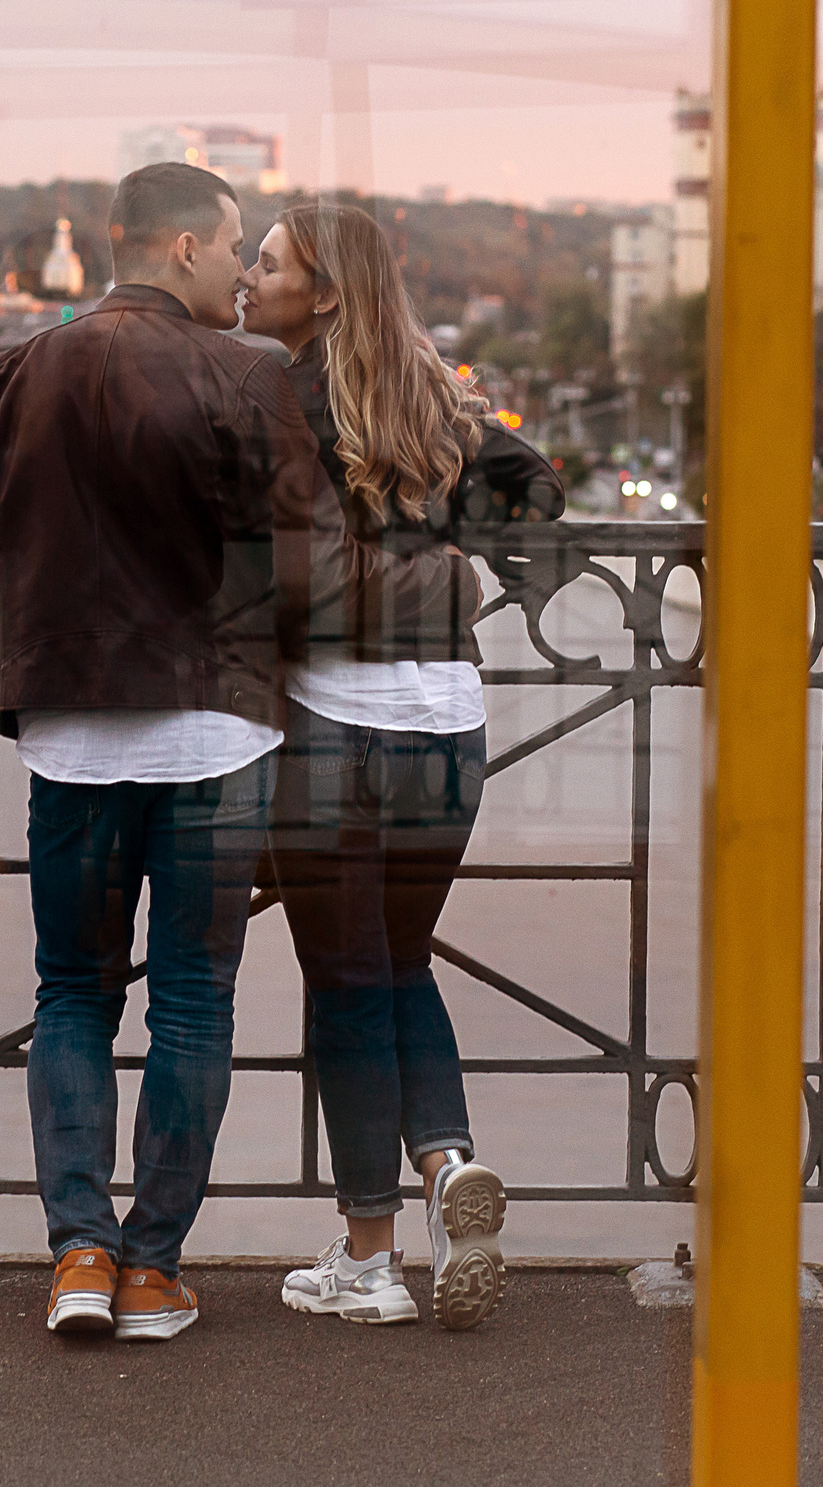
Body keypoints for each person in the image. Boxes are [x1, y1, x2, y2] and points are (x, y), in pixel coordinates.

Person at [0, 163, 314, 1342]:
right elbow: (303, 571)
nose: (242, 272)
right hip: (214, 729)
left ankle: (78, 1258)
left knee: (72, 994)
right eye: (234, 247)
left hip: (70, 732)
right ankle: (152, 1271)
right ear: (184, 247)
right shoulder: (251, 373)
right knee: (193, 1001)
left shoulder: (15, 371)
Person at [237, 200, 564, 1333]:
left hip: (333, 723)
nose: (248, 277)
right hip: (449, 723)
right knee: (398, 960)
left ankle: (370, 1262)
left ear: (323, 293)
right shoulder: (436, 395)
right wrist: (444, 550)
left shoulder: (275, 395)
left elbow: (255, 560)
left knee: (343, 983)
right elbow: (539, 491)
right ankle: (446, 1167)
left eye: (268, 263)